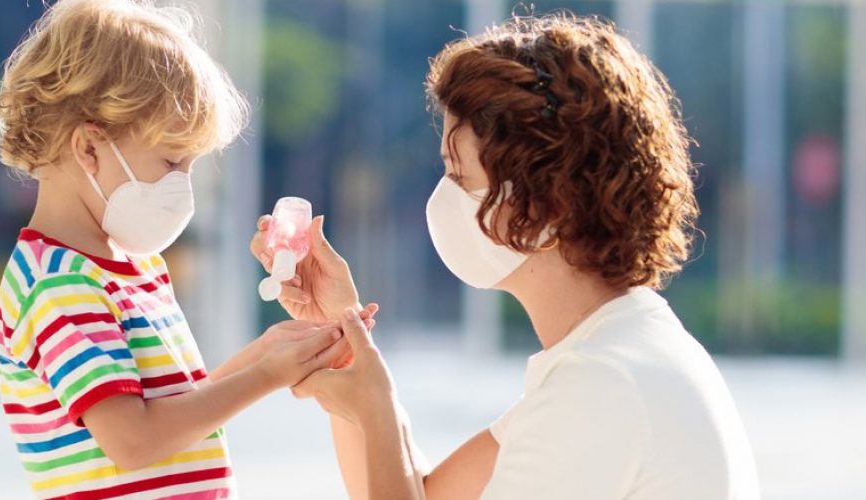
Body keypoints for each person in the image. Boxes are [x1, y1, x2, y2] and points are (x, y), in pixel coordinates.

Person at [258, 13, 760, 500]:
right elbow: (421, 494)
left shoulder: (601, 385)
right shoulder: (620, 349)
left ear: (545, 204)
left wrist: (375, 408)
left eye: (459, 176)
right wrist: (344, 337)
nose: (444, 197)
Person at [0, 1, 375, 498]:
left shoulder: (133, 267)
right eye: (171, 161)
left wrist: (265, 354)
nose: (183, 188)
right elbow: (133, 440)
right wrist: (266, 375)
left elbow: (170, 408)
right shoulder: (58, 284)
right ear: (88, 148)